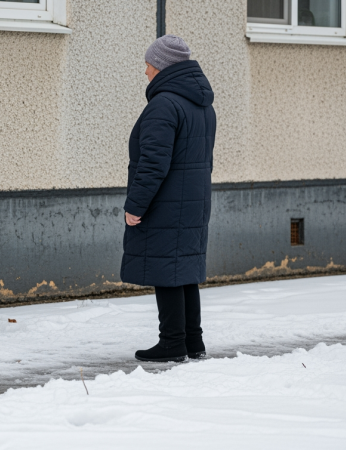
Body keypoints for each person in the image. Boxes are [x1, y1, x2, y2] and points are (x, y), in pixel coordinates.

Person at [122, 35, 217, 362]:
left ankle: (172, 343)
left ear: (162, 66)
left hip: (166, 202)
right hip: (193, 202)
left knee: (166, 270)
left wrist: (135, 206)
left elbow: (153, 163)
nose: (146, 71)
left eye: (149, 65)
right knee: (184, 271)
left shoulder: (164, 104)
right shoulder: (201, 104)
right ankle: (193, 342)